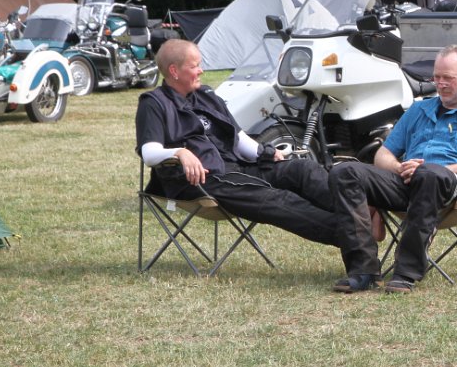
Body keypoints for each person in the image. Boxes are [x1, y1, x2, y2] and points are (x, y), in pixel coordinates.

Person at [329, 45, 457, 294]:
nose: (439, 84)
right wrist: (399, 167)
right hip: (407, 182)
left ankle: (406, 272)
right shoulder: (419, 109)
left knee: (430, 174)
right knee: (345, 171)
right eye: (435, 77)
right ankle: (363, 270)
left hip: (456, 188)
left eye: (447, 78)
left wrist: (445, 169)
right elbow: (383, 154)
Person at [135, 39, 346, 252]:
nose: (201, 71)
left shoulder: (205, 95)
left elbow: (238, 136)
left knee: (302, 169)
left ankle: (358, 212)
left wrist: (264, 152)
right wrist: (180, 152)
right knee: (277, 200)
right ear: (174, 71)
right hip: (203, 180)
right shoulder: (154, 103)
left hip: (236, 167)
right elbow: (149, 152)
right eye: (194, 66)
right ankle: (353, 234)